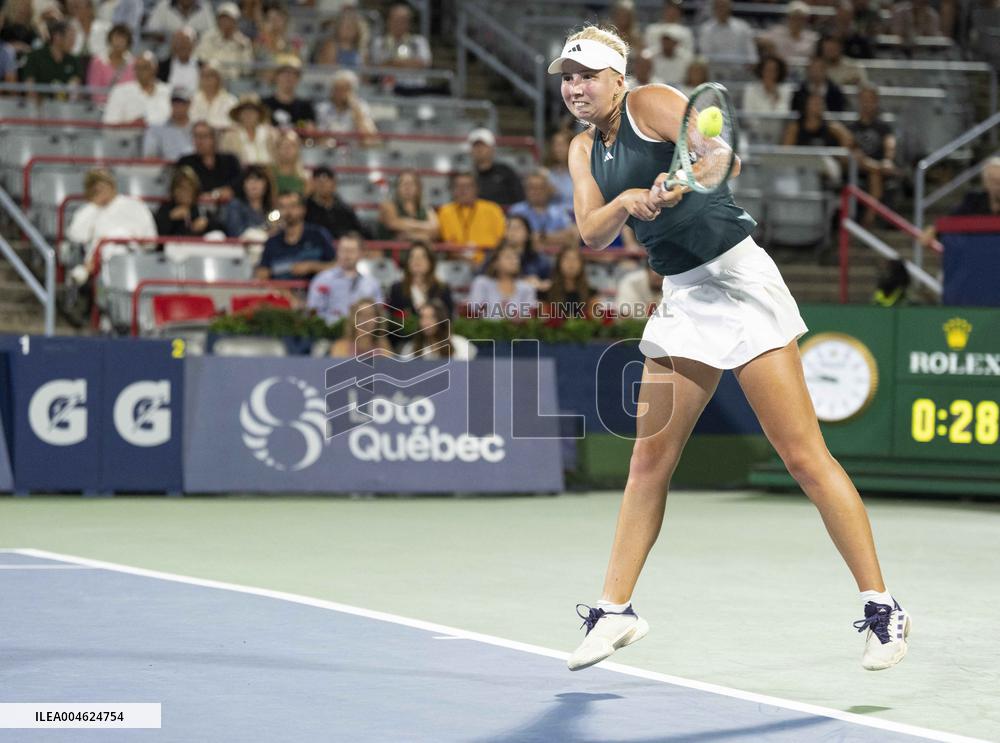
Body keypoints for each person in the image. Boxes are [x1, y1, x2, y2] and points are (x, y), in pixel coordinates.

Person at [550, 25, 909, 673]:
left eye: (587, 75)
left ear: (618, 77)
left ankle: (883, 606)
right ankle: (615, 609)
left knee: (803, 456)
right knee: (648, 461)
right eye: (568, 77)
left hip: (738, 281)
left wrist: (688, 179)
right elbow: (590, 230)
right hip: (685, 295)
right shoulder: (581, 149)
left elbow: (722, 159)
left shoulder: (653, 102)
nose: (575, 88)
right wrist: (632, 198)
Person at [66, 167, 157, 285]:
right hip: (100, 264)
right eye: (94, 187)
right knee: (107, 246)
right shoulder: (87, 211)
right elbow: (76, 236)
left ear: (112, 185)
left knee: (116, 243)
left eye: (102, 184)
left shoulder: (134, 205)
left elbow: (150, 241)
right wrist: (94, 207)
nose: (99, 189)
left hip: (133, 258)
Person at [920, 157, 1000, 246]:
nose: (996, 186)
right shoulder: (974, 199)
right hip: (976, 253)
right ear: (985, 182)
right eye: (993, 181)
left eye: (999, 181)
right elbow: (952, 218)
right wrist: (934, 229)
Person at [256, 190, 334, 280]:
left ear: (303, 209)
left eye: (293, 206)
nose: (288, 211)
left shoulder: (318, 235)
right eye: (282, 207)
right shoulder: (272, 242)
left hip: (316, 291)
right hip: (280, 292)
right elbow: (262, 273)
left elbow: (336, 266)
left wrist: (311, 266)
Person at [306, 231, 383, 322]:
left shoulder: (371, 284)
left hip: (361, 333)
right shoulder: (322, 279)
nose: (346, 255)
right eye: (343, 250)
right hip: (329, 333)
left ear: (361, 253)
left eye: (351, 251)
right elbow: (313, 313)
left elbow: (378, 315)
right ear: (337, 251)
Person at [849, 86, 897, 225]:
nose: (867, 103)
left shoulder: (884, 127)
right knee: (873, 169)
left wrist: (888, 160)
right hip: (857, 167)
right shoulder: (851, 127)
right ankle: (870, 217)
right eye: (863, 100)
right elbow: (850, 149)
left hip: (877, 169)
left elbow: (890, 144)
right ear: (858, 101)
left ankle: (869, 217)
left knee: (874, 174)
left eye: (870, 100)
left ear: (876, 101)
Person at [437, 172, 506, 262]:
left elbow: (502, 240)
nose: (463, 190)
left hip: (489, 263)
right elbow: (443, 243)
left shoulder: (492, 209)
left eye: (467, 186)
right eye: (458, 186)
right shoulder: (445, 211)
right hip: (456, 262)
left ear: (476, 189)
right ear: (452, 190)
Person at [370, 1, 431, 95]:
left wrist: (392, 62)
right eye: (395, 20)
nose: (398, 24)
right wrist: (409, 63)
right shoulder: (379, 43)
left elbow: (423, 63)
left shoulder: (419, 41)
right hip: (388, 92)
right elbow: (378, 66)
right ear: (388, 21)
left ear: (409, 23)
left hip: (415, 91)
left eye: (403, 20)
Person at [507, 169, 578, 248]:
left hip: (555, 257)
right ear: (526, 190)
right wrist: (555, 237)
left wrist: (541, 237)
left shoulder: (559, 211)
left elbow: (571, 236)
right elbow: (512, 237)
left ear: (548, 190)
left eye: (541, 188)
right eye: (532, 188)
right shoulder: (517, 210)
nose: (537, 191)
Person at [466, 244, 537, 319]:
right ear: (495, 263)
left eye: (516, 258)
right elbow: (475, 309)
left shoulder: (527, 288)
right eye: (508, 257)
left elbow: (528, 315)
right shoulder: (482, 282)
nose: (514, 261)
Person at [386, 241, 453, 318]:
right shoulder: (397, 289)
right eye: (412, 256)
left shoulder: (442, 289)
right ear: (407, 262)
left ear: (431, 262)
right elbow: (392, 320)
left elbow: (449, 319)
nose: (417, 260)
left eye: (422, 257)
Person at [103, 51, 171, 125]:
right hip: (129, 134)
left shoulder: (168, 91)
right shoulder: (119, 91)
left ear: (155, 69)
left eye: (145, 67)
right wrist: (132, 125)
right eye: (137, 68)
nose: (140, 71)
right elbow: (109, 123)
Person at [178, 121, 242, 199]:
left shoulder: (230, 160)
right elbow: (183, 189)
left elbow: (238, 184)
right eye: (196, 136)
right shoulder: (186, 162)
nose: (199, 141)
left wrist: (215, 195)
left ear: (213, 139)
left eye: (203, 136)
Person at [154, 166, 220, 236]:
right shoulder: (166, 208)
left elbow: (222, 229)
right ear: (173, 191)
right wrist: (170, 218)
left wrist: (207, 223)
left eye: (189, 188)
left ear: (195, 191)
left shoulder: (201, 210)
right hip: (172, 245)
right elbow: (155, 234)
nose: (184, 193)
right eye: (181, 188)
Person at [741, 55, 792, 145]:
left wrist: (775, 96)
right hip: (755, 136)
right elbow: (748, 117)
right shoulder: (751, 90)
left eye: (774, 70)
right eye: (767, 70)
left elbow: (784, 115)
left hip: (779, 136)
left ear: (779, 73)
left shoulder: (786, 91)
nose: (770, 73)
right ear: (761, 71)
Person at [400, 299, 475, 360]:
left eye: (432, 317)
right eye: (423, 317)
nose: (426, 323)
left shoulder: (460, 345)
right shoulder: (410, 349)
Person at [194, 1, 252, 79]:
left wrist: (242, 48)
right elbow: (200, 59)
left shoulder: (244, 42)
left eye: (229, 19)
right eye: (222, 19)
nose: (225, 22)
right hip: (210, 79)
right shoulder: (208, 37)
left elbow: (247, 70)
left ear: (235, 22)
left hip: (234, 81)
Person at [305, 166, 367, 238]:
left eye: (326, 181)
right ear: (313, 183)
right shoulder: (305, 208)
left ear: (334, 184)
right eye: (319, 181)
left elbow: (360, 230)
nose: (322, 185)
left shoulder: (344, 209)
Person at [315, 69, 378, 140]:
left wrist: (355, 110)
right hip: (328, 148)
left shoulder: (361, 106)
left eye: (346, 89)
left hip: (354, 148)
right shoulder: (323, 108)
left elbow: (371, 135)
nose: (341, 93)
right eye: (338, 88)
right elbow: (320, 134)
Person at [377, 169, 439, 242]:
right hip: (392, 252)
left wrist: (411, 235)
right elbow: (394, 223)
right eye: (403, 183)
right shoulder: (388, 205)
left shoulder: (425, 208)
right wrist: (426, 227)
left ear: (418, 187)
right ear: (397, 187)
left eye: (411, 183)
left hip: (418, 251)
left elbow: (436, 229)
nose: (407, 187)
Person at [493, 214, 552, 290]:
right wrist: (522, 282)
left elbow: (552, 282)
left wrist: (541, 283)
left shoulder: (540, 260)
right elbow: (483, 277)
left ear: (528, 233)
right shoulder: (495, 256)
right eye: (508, 228)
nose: (512, 231)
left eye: (517, 228)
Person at [468, 128, 524, 207]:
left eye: (483, 145)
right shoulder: (467, 176)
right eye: (476, 146)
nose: (479, 149)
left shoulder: (506, 172)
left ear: (492, 148)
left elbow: (520, 199)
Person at [20, 20, 84, 87]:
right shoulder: (34, 57)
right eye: (70, 37)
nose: (73, 42)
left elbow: (75, 89)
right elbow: (30, 88)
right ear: (57, 37)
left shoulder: (74, 60)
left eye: (74, 38)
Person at [540, 245, 597, 318]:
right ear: (559, 263)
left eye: (575, 259)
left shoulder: (591, 294)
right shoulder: (546, 292)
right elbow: (542, 319)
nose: (571, 263)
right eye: (567, 259)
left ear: (581, 264)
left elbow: (595, 320)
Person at [220, 93, 277, 165]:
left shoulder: (271, 134)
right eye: (244, 111)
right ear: (239, 114)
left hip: (268, 172)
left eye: (252, 110)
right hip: (241, 174)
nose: (248, 114)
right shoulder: (229, 137)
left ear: (259, 114)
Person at [220, 164, 276, 237]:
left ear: (266, 184)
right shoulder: (235, 205)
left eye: (258, 179)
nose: (253, 183)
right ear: (243, 184)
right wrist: (265, 233)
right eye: (249, 179)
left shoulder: (272, 208)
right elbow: (236, 233)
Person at [263, 54, 315, 129]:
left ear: (298, 78)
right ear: (276, 76)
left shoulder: (305, 107)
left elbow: (310, 129)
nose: (289, 77)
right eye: (284, 73)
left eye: (293, 74)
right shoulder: (265, 105)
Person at [329, 297, 393, 357]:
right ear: (353, 319)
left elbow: (389, 367)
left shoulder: (383, 346)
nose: (365, 320)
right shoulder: (341, 346)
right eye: (360, 315)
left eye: (370, 315)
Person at [698, 0, 757, 65]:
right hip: (714, 69)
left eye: (724, 6)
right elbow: (705, 54)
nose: (721, 9)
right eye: (718, 6)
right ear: (713, 8)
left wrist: (752, 63)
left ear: (730, 8)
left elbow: (751, 54)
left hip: (740, 68)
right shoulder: (706, 29)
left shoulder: (743, 27)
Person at [143, 88, 194, 159]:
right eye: (175, 102)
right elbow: (150, 157)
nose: (178, 106)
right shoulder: (156, 130)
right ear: (171, 103)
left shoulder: (197, 129)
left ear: (189, 104)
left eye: (182, 103)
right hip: (168, 168)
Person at [85, 22, 133, 94]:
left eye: (123, 39)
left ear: (128, 43)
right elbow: (94, 90)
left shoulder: (133, 64)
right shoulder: (97, 62)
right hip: (102, 104)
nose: (119, 42)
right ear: (110, 39)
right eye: (116, 38)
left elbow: (133, 89)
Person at [188, 60, 237, 129]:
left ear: (219, 78)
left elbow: (233, 125)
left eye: (211, 75)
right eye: (203, 76)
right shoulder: (192, 99)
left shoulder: (230, 101)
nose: (207, 79)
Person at [157, 27, 198, 93]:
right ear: (172, 44)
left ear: (194, 44)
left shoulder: (203, 67)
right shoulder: (161, 67)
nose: (181, 45)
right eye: (178, 42)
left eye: (186, 42)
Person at [144, 0, 214, 39]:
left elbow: (212, 32)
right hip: (167, 50)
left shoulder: (205, 7)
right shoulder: (163, 5)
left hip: (197, 50)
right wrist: (170, 36)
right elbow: (151, 30)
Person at [270, 129, 307, 195]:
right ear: (277, 150)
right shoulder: (269, 174)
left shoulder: (305, 177)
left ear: (297, 150)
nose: (287, 149)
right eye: (283, 146)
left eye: (292, 145)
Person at [546, 129, 575, 209]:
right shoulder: (547, 173)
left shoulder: (583, 171)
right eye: (555, 145)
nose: (557, 149)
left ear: (572, 146)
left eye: (561, 145)